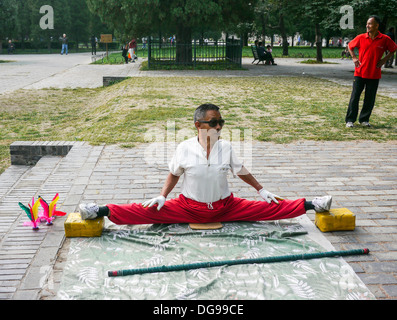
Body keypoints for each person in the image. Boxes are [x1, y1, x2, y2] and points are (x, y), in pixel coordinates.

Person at [79, 103, 333, 226]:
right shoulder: (184, 148)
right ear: (199, 125)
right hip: (189, 208)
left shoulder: (227, 147)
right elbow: (174, 173)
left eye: (221, 121)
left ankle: (314, 204)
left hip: (226, 207)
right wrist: (162, 196)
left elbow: (240, 170)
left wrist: (261, 190)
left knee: (268, 208)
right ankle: (98, 210)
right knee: (143, 211)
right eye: (213, 123)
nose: (219, 126)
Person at [345, 16, 397, 128]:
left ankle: (364, 119)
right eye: (367, 24)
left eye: (370, 24)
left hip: (374, 73)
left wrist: (384, 60)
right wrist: (354, 57)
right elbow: (350, 46)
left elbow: (393, 49)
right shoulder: (361, 37)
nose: (367, 26)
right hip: (360, 72)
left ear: (377, 25)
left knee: (370, 98)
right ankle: (350, 120)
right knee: (355, 97)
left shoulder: (384, 39)